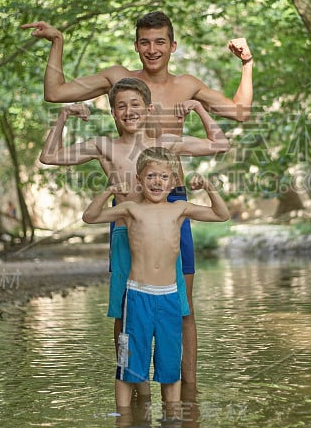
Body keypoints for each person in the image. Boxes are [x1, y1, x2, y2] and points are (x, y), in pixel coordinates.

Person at [23, 11, 253, 385]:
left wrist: (247, 64)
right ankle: (133, 390)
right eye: (145, 42)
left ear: (172, 46)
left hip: (172, 202)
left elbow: (240, 113)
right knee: (126, 308)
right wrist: (57, 42)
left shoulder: (187, 85)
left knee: (182, 307)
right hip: (128, 208)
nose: (152, 49)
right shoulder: (119, 79)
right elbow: (56, 94)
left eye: (160, 41)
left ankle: (186, 392)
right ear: (136, 45)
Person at [39, 77, 230, 388]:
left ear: (149, 109)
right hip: (125, 237)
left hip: (163, 238)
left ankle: (180, 386)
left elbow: (219, 145)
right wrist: (63, 117)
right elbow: (50, 156)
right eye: (121, 107)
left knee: (176, 307)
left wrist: (198, 108)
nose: (129, 111)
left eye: (135, 105)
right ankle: (132, 382)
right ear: (114, 113)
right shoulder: (105, 146)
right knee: (124, 314)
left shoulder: (164, 143)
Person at [82, 147, 230, 408]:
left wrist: (208, 186)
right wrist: (109, 190)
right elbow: (90, 216)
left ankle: (172, 422)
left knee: (170, 367)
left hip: (169, 297)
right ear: (139, 179)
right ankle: (125, 422)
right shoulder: (130, 210)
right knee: (128, 364)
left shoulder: (179, 209)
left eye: (163, 177)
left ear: (173, 182)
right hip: (138, 296)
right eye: (151, 176)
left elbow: (221, 214)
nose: (157, 182)